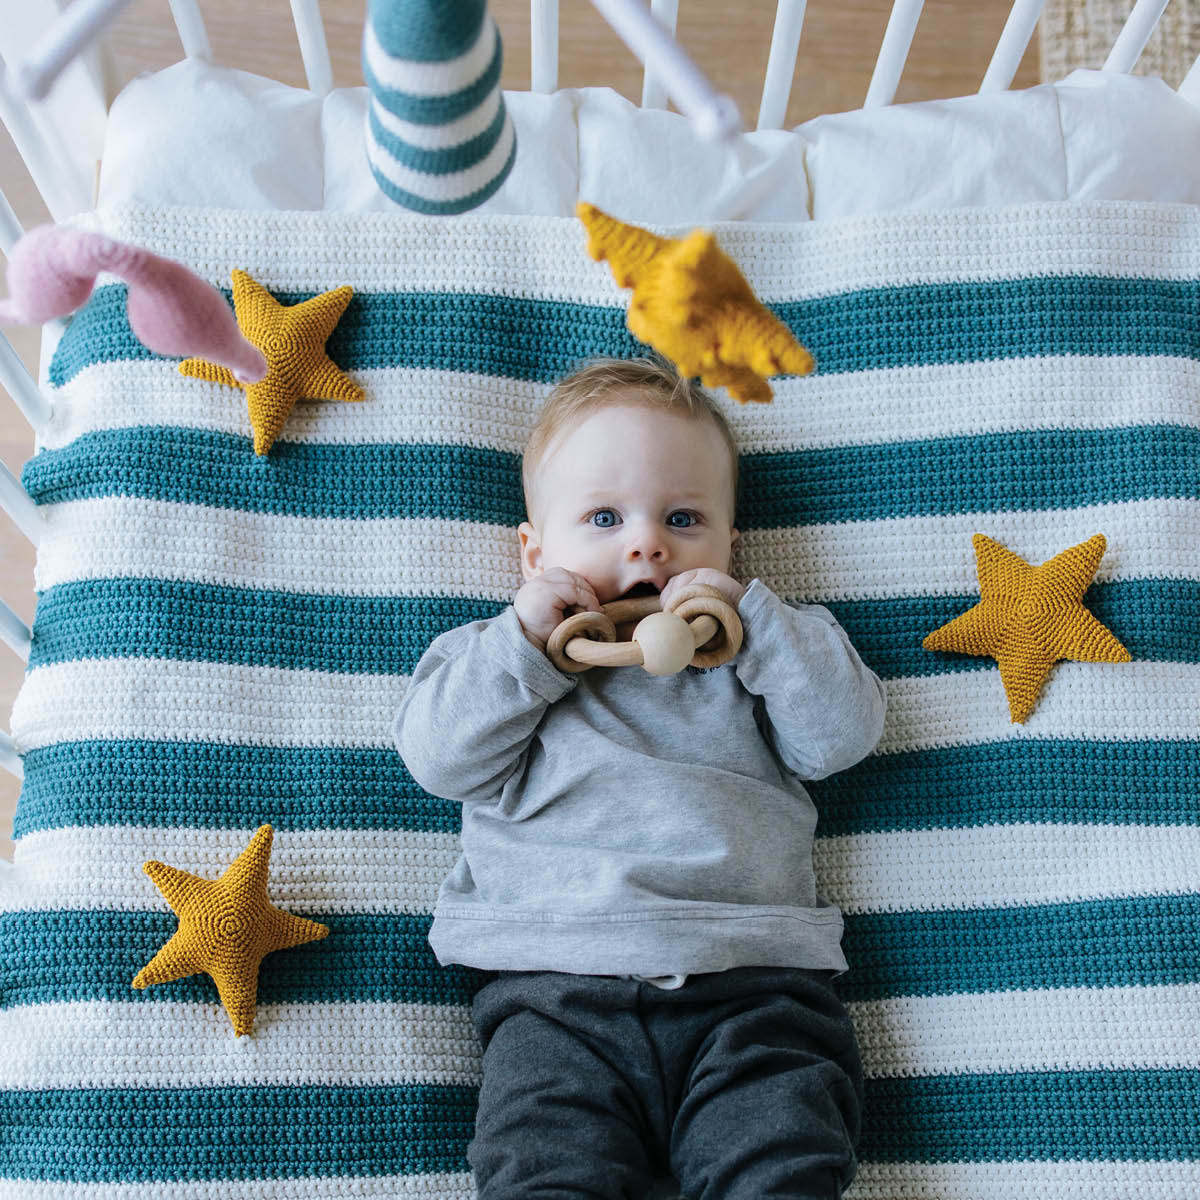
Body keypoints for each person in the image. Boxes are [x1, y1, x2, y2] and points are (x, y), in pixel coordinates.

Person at [394, 356, 887, 1199]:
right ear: (535, 553)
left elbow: (840, 739)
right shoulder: (496, 660)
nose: (647, 543)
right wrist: (523, 644)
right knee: (544, 1172)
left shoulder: (761, 653)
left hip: (753, 986)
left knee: (783, 1162)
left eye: (683, 518)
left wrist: (757, 624)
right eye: (604, 517)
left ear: (731, 547)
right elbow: (439, 762)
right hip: (555, 995)